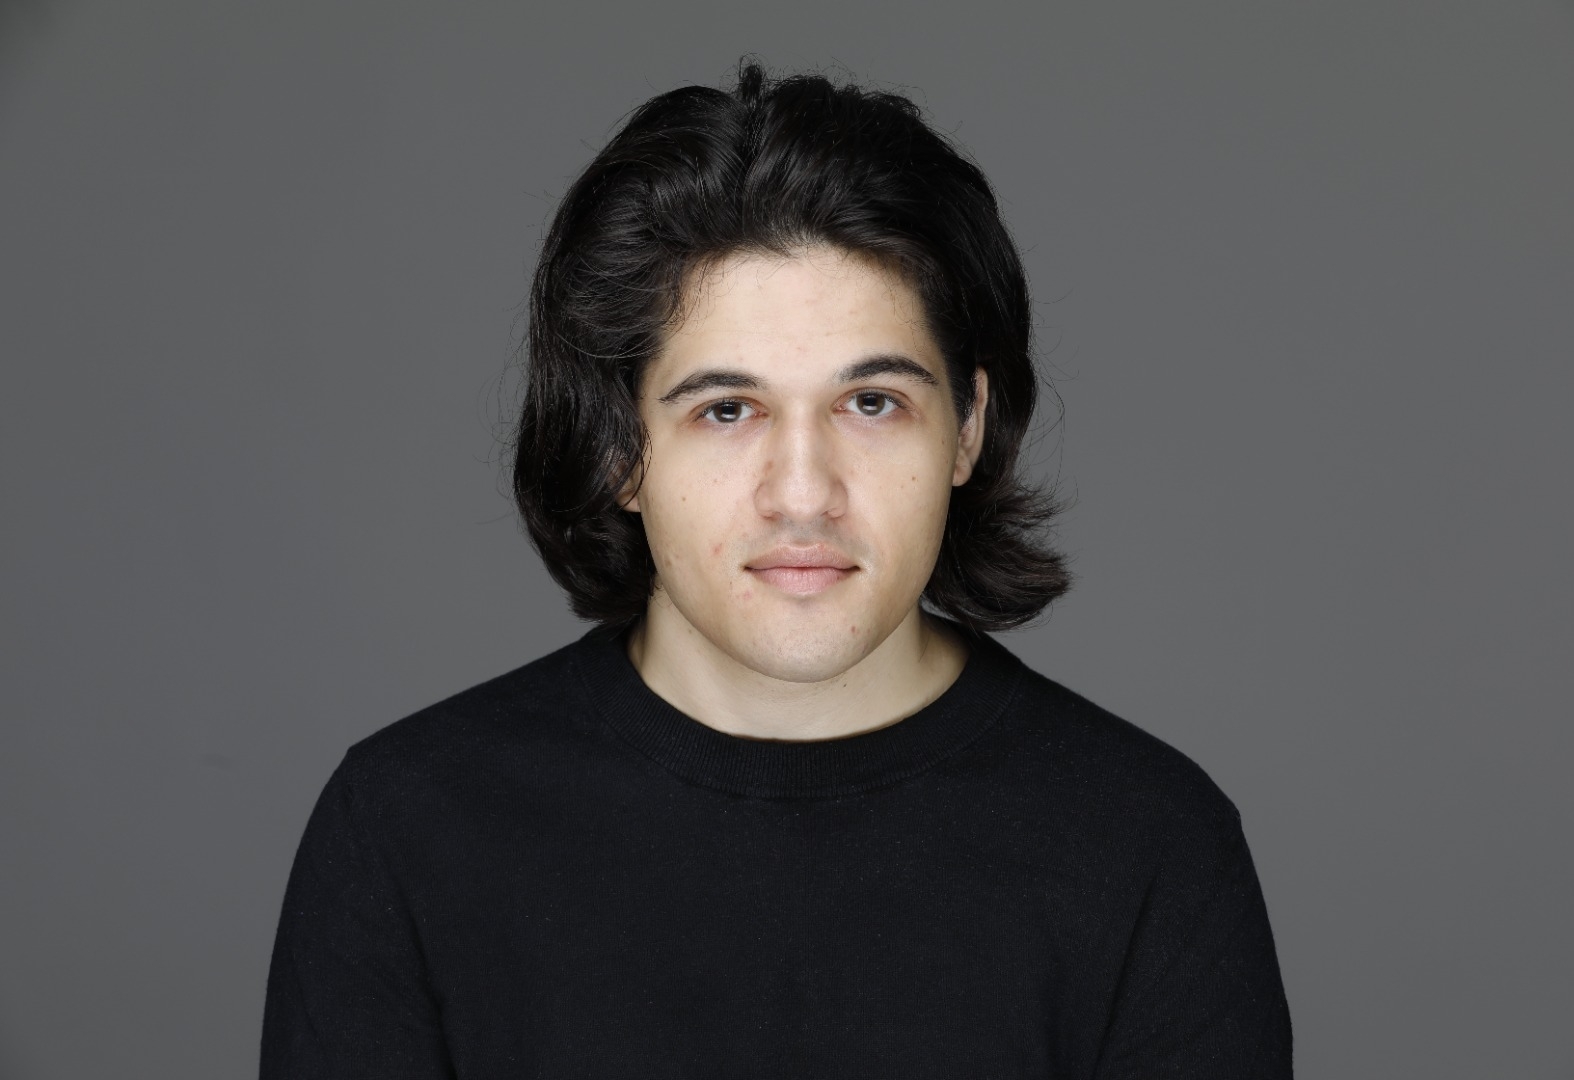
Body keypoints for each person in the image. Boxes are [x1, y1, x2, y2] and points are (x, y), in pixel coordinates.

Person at [260, 60, 1292, 1079]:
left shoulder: (1149, 846)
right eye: (727, 410)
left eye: (872, 403)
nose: (803, 494)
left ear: (969, 428)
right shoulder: (407, 831)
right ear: (617, 449)